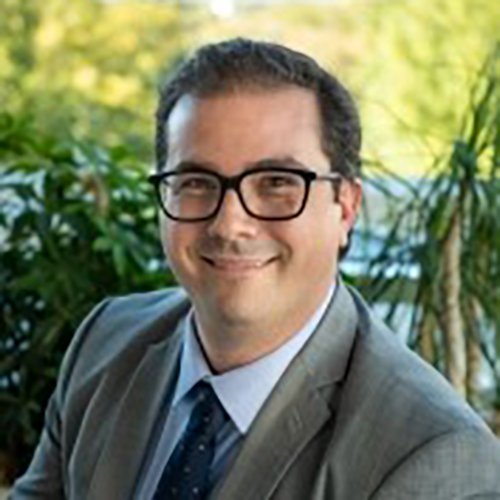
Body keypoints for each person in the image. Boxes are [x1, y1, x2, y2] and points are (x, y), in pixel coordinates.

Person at [11, 38, 500, 500]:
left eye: (277, 183)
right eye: (196, 181)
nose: (230, 224)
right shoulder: (106, 342)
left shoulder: (434, 457)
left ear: (346, 208)